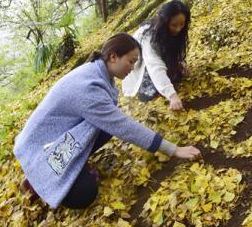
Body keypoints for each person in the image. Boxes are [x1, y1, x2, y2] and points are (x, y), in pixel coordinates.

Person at [14, 32, 200, 210]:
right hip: (39, 147)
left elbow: (113, 121)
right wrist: (174, 149)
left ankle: (56, 169)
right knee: (85, 194)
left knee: (104, 130)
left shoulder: (97, 72)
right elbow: (124, 127)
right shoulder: (88, 88)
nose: (133, 67)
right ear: (113, 57)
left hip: (57, 137)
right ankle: (38, 179)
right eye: (131, 61)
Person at [122, 0, 190, 112]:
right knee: (150, 93)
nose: (178, 29)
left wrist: (181, 64)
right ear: (165, 22)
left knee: (178, 76)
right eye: (174, 25)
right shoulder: (149, 36)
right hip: (141, 67)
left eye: (182, 24)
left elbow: (173, 51)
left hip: (157, 61)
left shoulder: (177, 31)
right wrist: (172, 96)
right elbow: (154, 65)